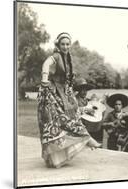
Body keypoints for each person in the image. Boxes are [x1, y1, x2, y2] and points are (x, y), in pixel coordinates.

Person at [37, 32, 101, 168]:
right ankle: (86, 139)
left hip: (64, 91)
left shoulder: (68, 58)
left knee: (72, 115)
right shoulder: (56, 55)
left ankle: (84, 140)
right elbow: (46, 64)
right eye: (63, 44)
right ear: (58, 45)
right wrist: (44, 78)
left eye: (67, 44)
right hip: (52, 91)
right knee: (57, 120)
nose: (65, 47)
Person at [73, 78, 105, 143]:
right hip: (80, 126)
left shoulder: (87, 100)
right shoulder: (75, 99)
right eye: (82, 90)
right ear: (79, 90)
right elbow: (74, 110)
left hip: (89, 126)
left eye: (86, 90)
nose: (85, 92)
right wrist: (85, 109)